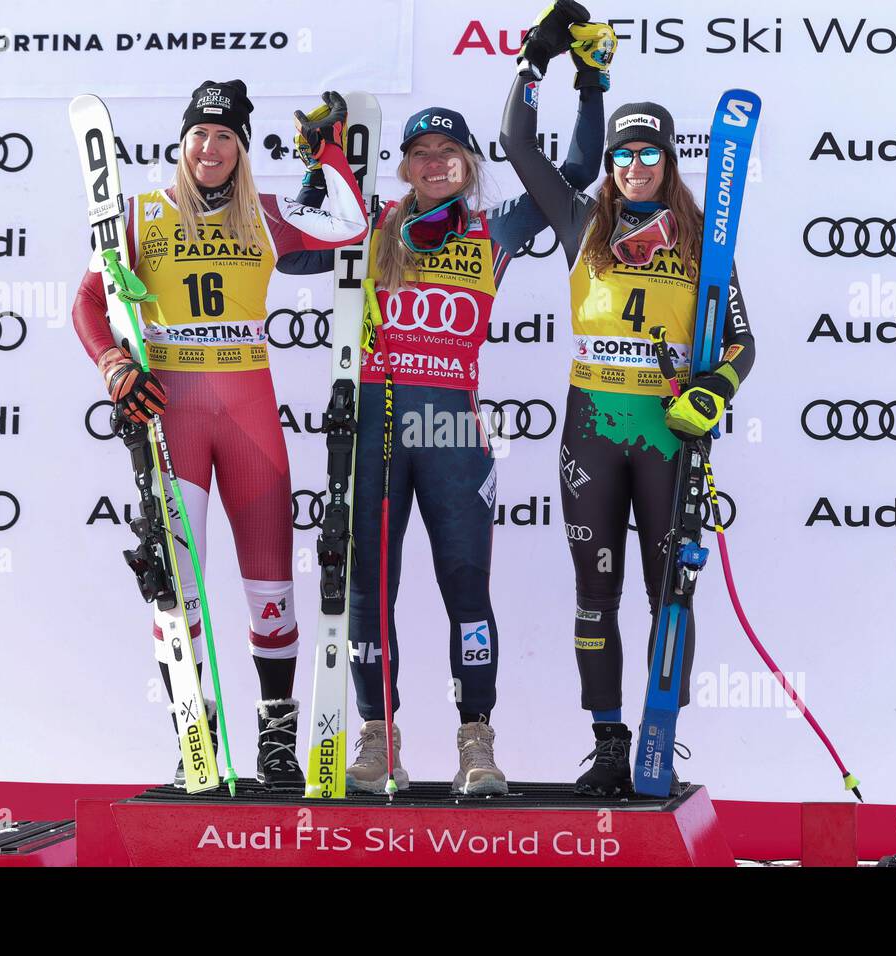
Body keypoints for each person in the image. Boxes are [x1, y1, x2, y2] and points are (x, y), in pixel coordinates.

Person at [316, 3, 613, 796]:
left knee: (464, 582)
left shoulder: (496, 229)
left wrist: (590, 86)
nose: (435, 162)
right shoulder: (373, 225)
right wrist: (322, 160)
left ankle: (475, 739)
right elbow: (302, 247)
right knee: (370, 587)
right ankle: (379, 737)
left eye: (450, 152)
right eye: (421, 153)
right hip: (378, 418)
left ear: (470, 164)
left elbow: (576, 175)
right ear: (405, 167)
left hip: (450, 418)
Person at [72, 80, 368, 789]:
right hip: (175, 416)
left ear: (241, 149)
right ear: (182, 143)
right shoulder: (140, 214)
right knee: (181, 592)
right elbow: (87, 300)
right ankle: (194, 732)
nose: (211, 148)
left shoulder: (265, 216)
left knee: (273, 591)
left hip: (250, 420)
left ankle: (275, 738)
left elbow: (352, 227)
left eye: (226, 137)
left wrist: (329, 154)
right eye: (200, 135)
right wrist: (114, 364)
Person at [501, 50, 758, 796]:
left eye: (649, 154)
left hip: (666, 439)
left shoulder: (704, 242)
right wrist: (534, 60)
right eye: (622, 154)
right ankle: (609, 741)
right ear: (609, 161)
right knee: (595, 594)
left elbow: (744, 344)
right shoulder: (581, 220)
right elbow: (518, 143)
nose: (635, 166)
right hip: (593, 433)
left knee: (669, 591)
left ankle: (658, 730)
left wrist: (713, 389)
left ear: (669, 161)